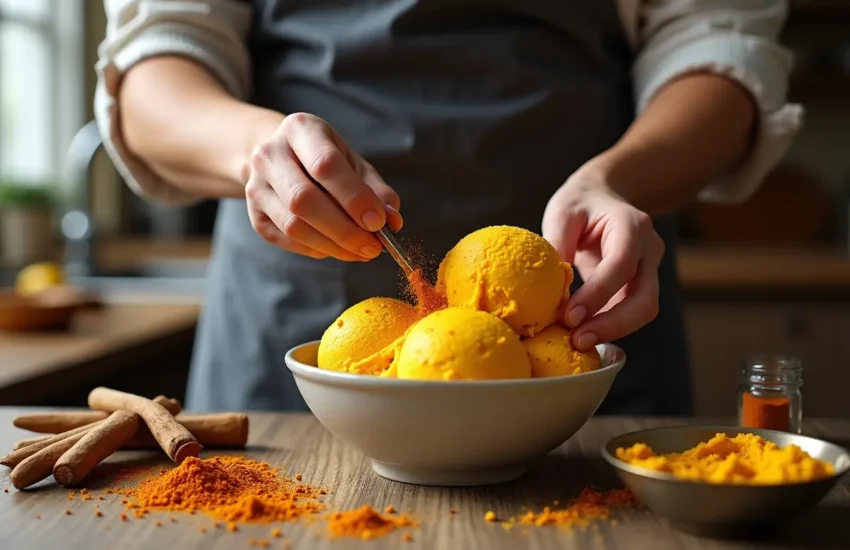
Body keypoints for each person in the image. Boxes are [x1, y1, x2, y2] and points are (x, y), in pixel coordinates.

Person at [95, 0, 801, 414]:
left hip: (581, 321)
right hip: (294, 317)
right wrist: (254, 147)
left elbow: (719, 47)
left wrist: (620, 181)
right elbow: (155, 64)